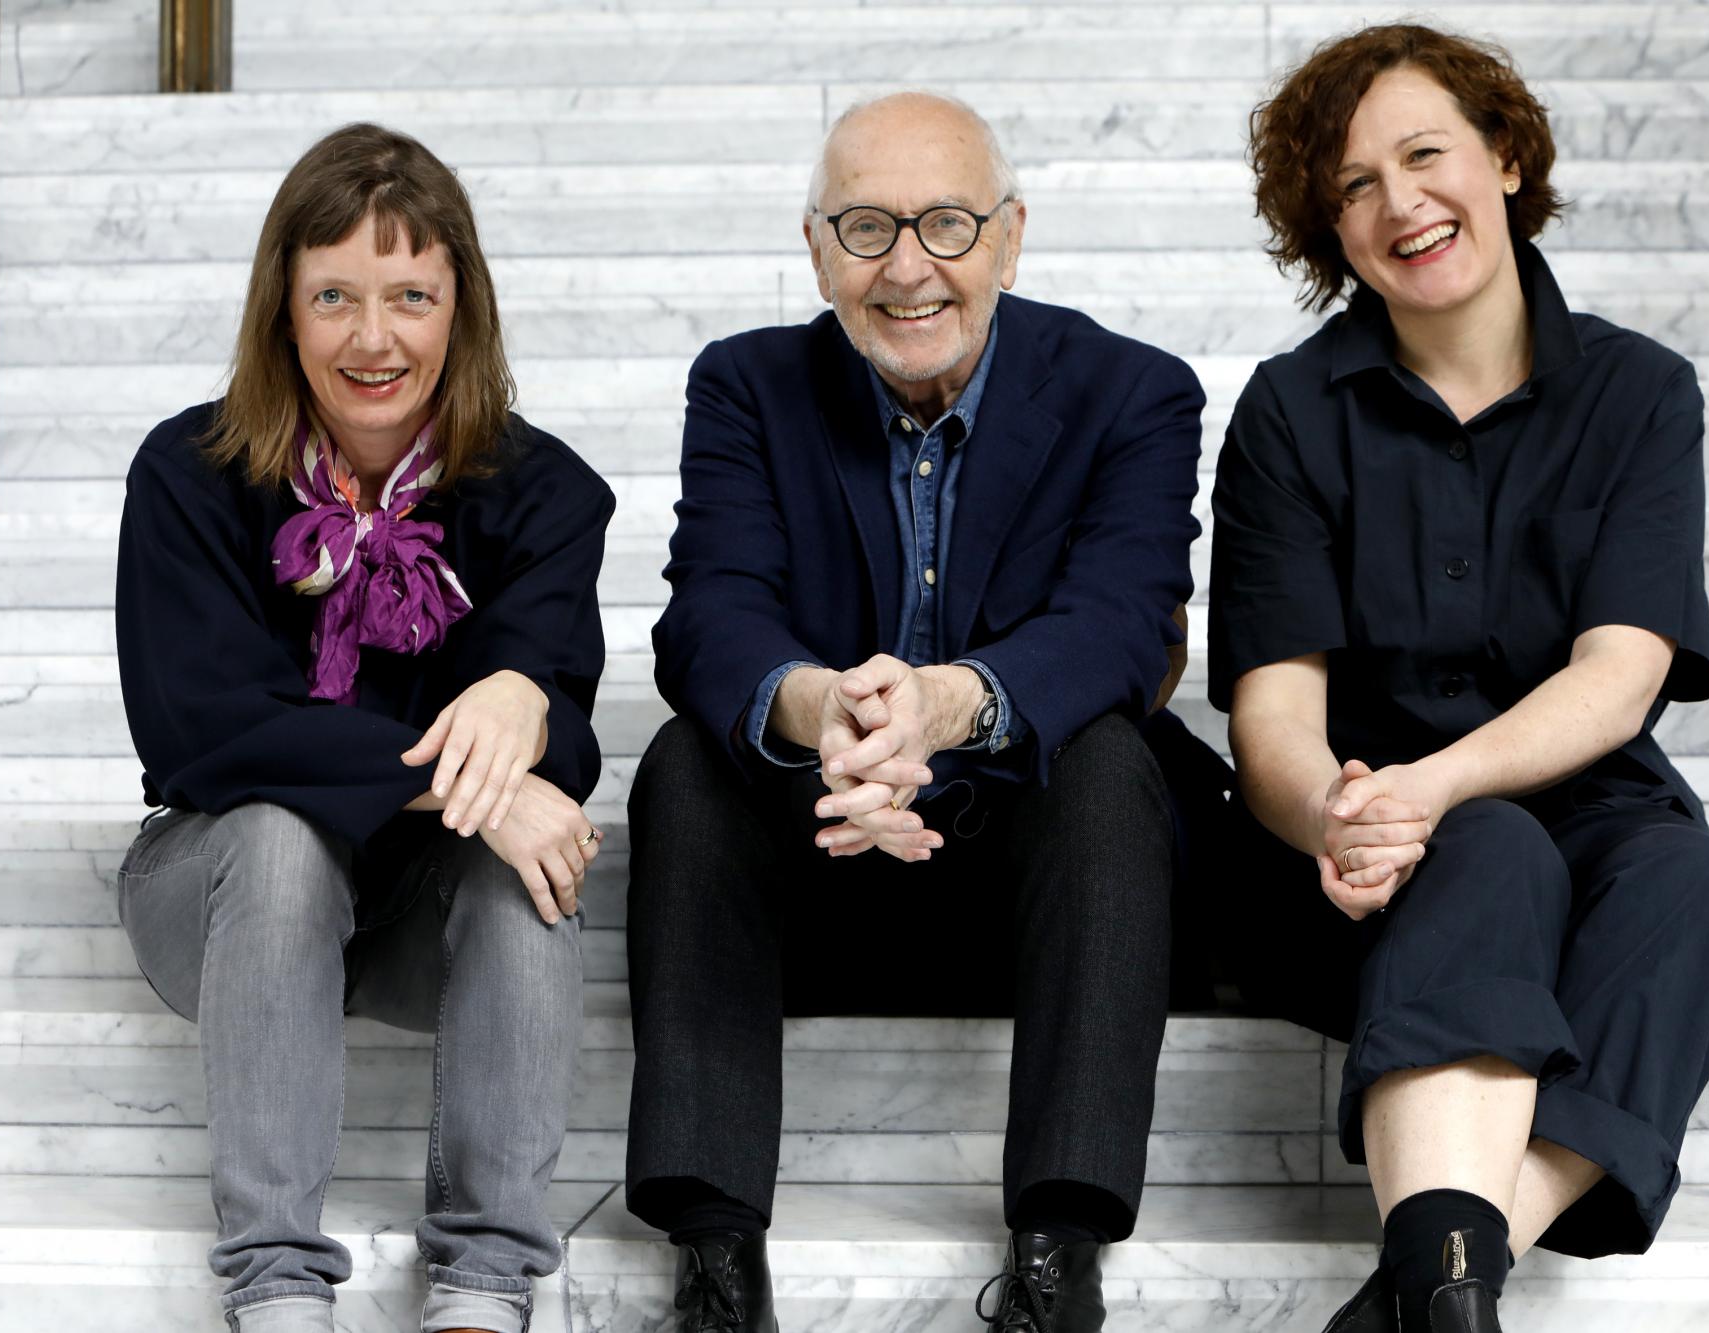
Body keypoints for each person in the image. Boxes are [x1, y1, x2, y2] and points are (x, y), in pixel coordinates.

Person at [1210, 26, 1709, 1333]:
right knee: (1491, 846)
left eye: (1425, 155)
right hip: (1375, 858)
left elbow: (1620, 676)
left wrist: (1438, 780)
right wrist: (1342, 817)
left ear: (1506, 156)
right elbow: (1274, 712)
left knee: (1698, 885)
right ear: (1329, 227)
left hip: (1576, 811)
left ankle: (1429, 1294)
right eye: (1354, 185)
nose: (1398, 203)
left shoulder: (1640, 393)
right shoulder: (1290, 412)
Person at [622, 90, 1204, 1333]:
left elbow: (1120, 623)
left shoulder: (1132, 392)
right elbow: (710, 612)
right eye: (866, 227)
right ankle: (716, 1262)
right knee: (684, 761)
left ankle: (1056, 1263)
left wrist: (945, 705)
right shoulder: (745, 384)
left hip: (1034, 873)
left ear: (1008, 236)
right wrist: (822, 708)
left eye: (945, 223)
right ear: (815, 246)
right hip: (819, 850)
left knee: (1113, 759)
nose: (906, 267)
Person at [114, 123, 615, 1333]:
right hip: (219, 900)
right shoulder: (187, 472)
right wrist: (474, 772)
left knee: (526, 859)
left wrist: (524, 697)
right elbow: (206, 729)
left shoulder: (546, 492)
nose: (372, 338)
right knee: (282, 834)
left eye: (409, 297)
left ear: (460, 310)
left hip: (412, 918)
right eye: (333, 295)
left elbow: (560, 747)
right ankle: (277, 1281)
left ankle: (484, 1283)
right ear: (283, 311)